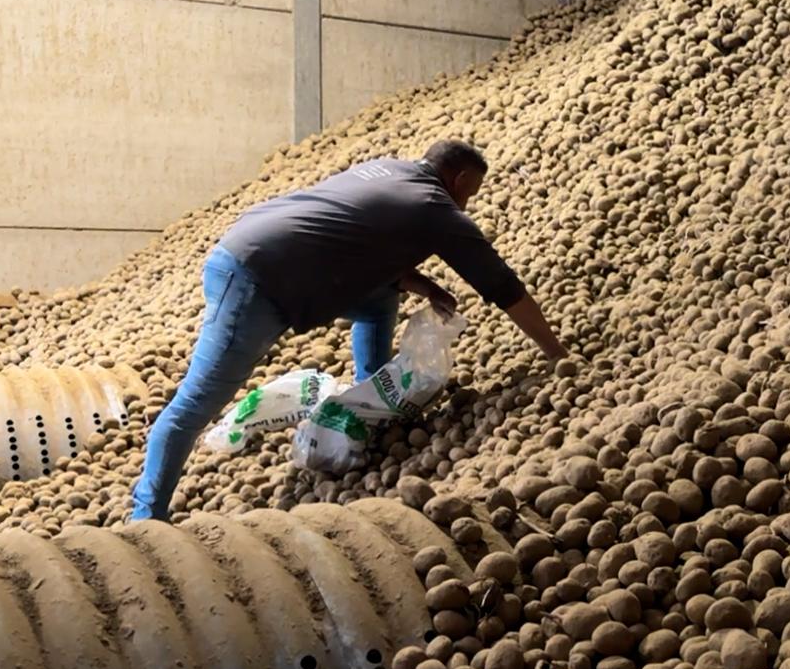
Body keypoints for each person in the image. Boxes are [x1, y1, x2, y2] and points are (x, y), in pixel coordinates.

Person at [130, 139, 567, 520]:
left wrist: (426, 286)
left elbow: (355, 243)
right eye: (471, 193)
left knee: (379, 301)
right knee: (196, 404)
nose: (467, 204)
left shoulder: (389, 171)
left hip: (260, 249)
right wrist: (556, 353)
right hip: (255, 279)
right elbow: (502, 286)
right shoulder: (435, 208)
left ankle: (370, 404)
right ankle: (146, 518)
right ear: (461, 179)